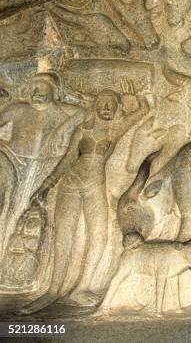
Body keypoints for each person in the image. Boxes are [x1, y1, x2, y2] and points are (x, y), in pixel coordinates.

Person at [19, 80, 150, 314]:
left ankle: (81, 288)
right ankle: (53, 290)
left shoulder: (116, 128)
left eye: (112, 104)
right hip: (70, 184)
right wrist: (46, 186)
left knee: (99, 236)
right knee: (64, 237)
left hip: (94, 186)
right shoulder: (83, 129)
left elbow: (144, 111)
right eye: (103, 103)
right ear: (96, 105)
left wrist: (137, 96)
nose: (107, 107)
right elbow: (68, 159)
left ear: (117, 108)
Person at [0, 72, 84, 256]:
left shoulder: (60, 113)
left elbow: (84, 113)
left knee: (21, 212)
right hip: (14, 162)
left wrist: (64, 127)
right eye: (33, 88)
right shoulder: (17, 109)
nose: (36, 92)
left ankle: (11, 252)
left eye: (41, 87)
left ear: (54, 92)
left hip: (41, 170)